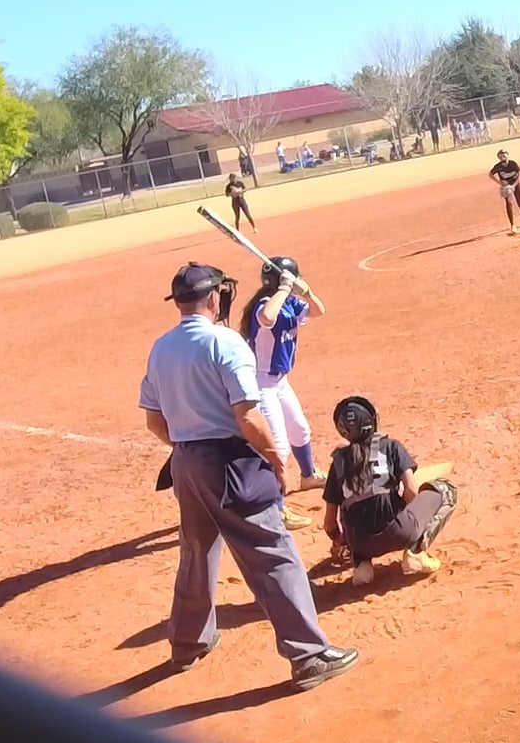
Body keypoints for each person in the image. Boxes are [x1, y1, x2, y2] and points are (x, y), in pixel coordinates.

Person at [139, 263, 358, 688]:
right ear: (214, 297)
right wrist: (277, 459)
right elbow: (248, 415)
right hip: (229, 464)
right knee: (273, 552)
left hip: (185, 464)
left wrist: (187, 447)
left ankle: (187, 643)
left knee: (197, 551)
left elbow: (154, 421)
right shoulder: (225, 342)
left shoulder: (161, 348)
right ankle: (309, 656)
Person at [321, 396, 458, 586]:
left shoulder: (338, 462)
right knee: (445, 488)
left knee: (349, 505)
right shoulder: (390, 446)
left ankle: (361, 564)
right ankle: (416, 552)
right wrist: (408, 521)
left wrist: (342, 541)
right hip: (398, 531)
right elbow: (411, 491)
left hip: (360, 544)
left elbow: (329, 524)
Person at [240, 257, 328, 520]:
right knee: (277, 445)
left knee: (300, 429)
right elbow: (267, 318)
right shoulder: (265, 304)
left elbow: (318, 311)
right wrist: (284, 289)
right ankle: (276, 508)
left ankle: (308, 475)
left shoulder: (290, 303)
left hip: (280, 382)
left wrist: (306, 292)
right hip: (262, 384)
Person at [490, 149, 520, 234]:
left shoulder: (513, 164)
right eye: (500, 156)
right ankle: (512, 225)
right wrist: (500, 183)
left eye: (504, 155)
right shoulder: (498, 166)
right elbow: (490, 174)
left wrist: (514, 185)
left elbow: (519, 174)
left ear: (507, 155)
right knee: (509, 204)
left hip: (515, 184)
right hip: (506, 187)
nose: (502, 157)